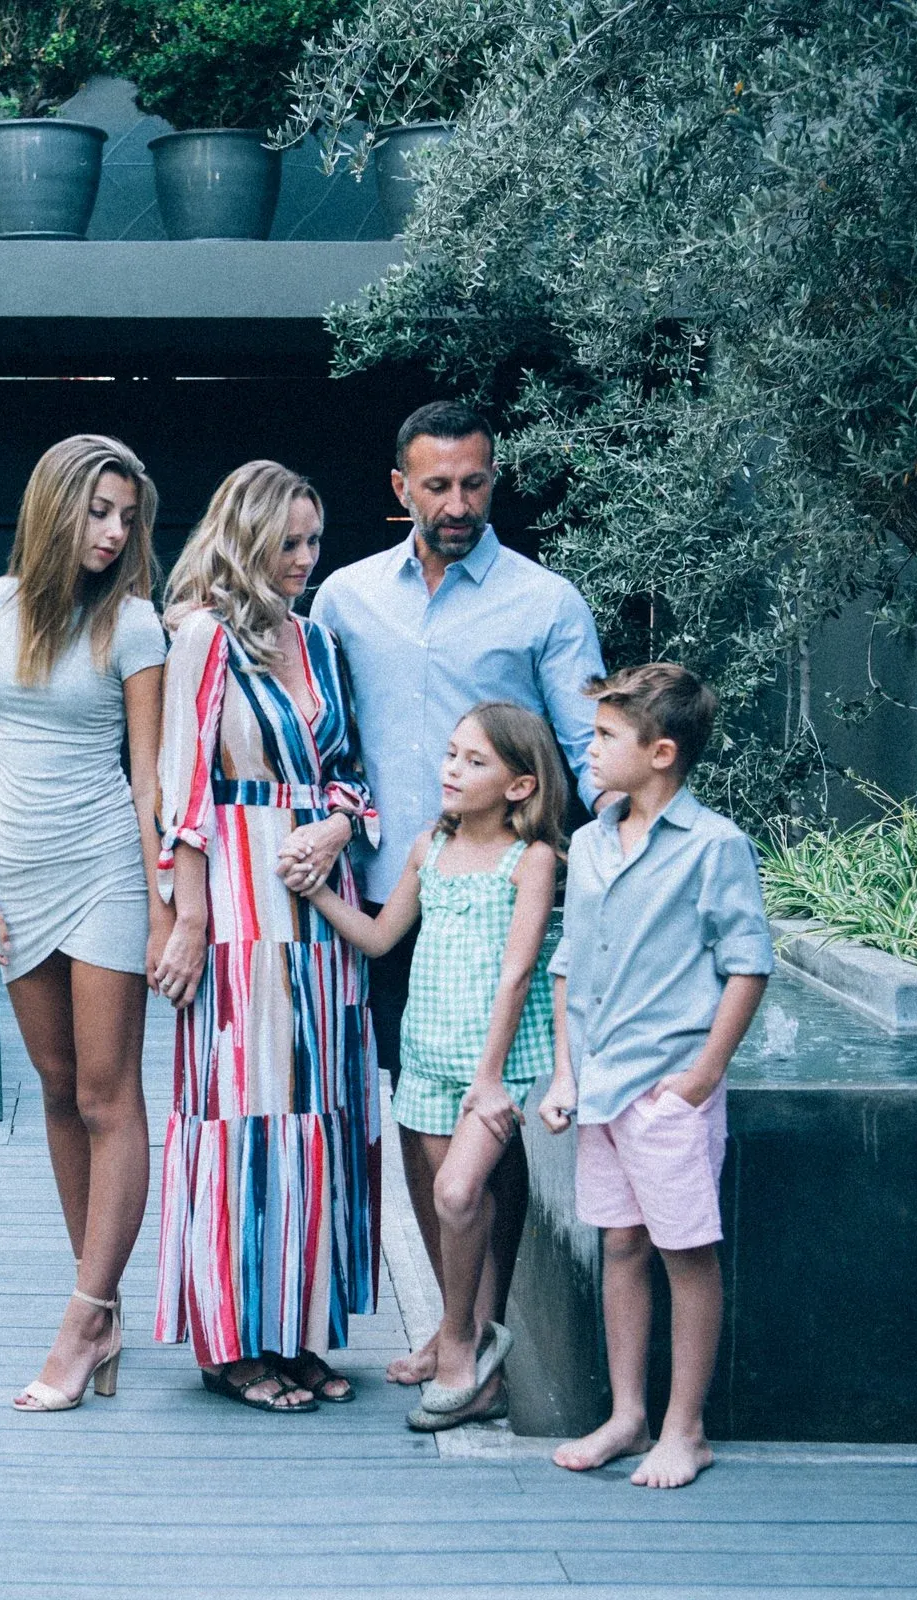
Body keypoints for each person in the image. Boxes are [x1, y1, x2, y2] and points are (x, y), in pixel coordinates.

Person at [289, 398, 610, 1390]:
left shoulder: (544, 602)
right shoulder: (342, 599)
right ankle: (451, 1316)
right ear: (401, 489)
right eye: (437, 485)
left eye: (475, 482)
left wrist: (633, 848)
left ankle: (485, 1321)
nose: (458, 501)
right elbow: (322, 742)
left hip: (499, 908)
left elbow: (592, 757)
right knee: (416, 1119)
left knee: (489, 1130)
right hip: (388, 897)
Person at [148, 460, 380, 1414]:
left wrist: (338, 825)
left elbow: (353, 769)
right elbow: (182, 788)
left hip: (320, 908)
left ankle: (296, 1328)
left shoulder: (319, 640)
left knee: (320, 1113)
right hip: (240, 910)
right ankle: (231, 1340)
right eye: (286, 542)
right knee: (243, 1115)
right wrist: (190, 915)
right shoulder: (203, 635)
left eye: (314, 541)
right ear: (243, 538)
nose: (303, 558)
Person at [0, 434, 171, 1414]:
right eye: (98, 511)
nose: (115, 531)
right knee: (51, 1087)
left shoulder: (133, 624)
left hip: (104, 871)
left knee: (106, 1092)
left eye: (126, 515)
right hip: (17, 869)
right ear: (55, 510)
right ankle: (106, 1302)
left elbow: (148, 776)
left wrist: (166, 906)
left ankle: (84, 1314)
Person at [537, 663, 772, 1487]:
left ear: (662, 752)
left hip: (668, 1089)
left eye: (605, 737)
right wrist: (567, 1074)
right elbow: (569, 964)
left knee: (685, 1251)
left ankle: (686, 1427)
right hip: (602, 1085)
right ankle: (628, 1415)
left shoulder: (715, 847)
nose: (589, 751)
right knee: (623, 1244)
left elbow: (748, 966)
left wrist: (703, 1077)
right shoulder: (595, 841)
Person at [302, 702, 566, 1433]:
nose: (452, 770)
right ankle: (478, 1353)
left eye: (475, 761)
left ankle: (458, 1340)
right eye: (451, 755)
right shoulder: (430, 848)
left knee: (455, 1195)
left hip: (495, 1066)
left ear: (520, 785)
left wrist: (490, 1078)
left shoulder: (531, 859)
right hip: (427, 1057)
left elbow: (517, 974)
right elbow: (383, 938)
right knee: (460, 1209)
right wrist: (318, 892)